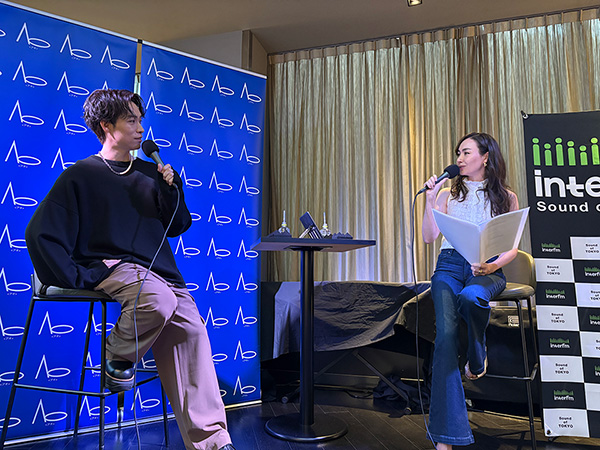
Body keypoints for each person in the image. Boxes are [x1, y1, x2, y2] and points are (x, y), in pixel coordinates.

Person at [25, 89, 235, 450]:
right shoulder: (80, 175)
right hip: (116, 267)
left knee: (192, 329)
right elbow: (39, 232)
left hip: (159, 272)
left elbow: (177, 225)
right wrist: (80, 276)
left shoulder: (150, 173)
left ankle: (213, 443)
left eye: (141, 120)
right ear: (107, 126)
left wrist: (171, 189)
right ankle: (118, 355)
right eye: (131, 120)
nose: (141, 128)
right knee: (156, 300)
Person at [421, 132, 519, 449]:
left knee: (472, 296)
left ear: (485, 157)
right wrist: (430, 201)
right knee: (445, 340)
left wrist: (492, 266)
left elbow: (512, 249)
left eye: (466, 153)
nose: (459, 159)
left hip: (488, 267)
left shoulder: (507, 197)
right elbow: (428, 237)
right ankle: (446, 438)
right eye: (458, 153)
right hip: (449, 265)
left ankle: (477, 355)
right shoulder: (447, 195)